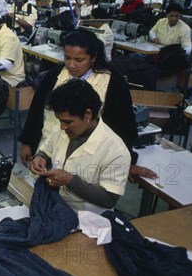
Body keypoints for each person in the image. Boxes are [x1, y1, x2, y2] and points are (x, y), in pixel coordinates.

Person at [19, 29, 156, 181]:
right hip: (48, 149)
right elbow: (36, 111)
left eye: (79, 60)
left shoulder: (112, 82)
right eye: (67, 58)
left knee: (77, 193)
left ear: (93, 57)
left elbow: (123, 125)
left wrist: (125, 160)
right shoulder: (55, 75)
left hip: (88, 158)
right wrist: (28, 142)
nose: (71, 65)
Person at [29, 79, 130, 214]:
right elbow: (46, 150)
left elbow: (109, 199)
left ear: (87, 115)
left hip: (87, 218)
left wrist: (69, 180)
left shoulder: (116, 150)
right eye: (60, 121)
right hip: (55, 205)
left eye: (67, 122)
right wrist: (40, 158)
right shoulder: (63, 128)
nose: (62, 127)